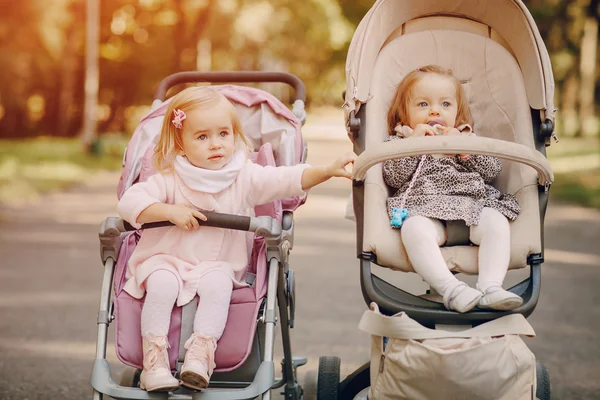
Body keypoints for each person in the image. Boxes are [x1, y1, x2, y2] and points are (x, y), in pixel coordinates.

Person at [118, 86, 355, 392]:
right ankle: (155, 361)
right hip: (165, 260)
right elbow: (129, 201)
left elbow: (284, 179)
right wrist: (168, 210)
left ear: (234, 134)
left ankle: (200, 356)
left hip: (217, 265)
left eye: (223, 134)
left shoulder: (243, 176)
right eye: (202, 137)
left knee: (218, 285)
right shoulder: (169, 177)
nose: (215, 144)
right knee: (162, 283)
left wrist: (326, 170)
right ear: (180, 142)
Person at [382, 65, 522, 313]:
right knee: (414, 228)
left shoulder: (467, 139)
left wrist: (466, 149)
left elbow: (492, 170)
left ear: (458, 114)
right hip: (425, 210)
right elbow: (393, 177)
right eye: (422, 104)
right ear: (403, 114)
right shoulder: (400, 141)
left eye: (445, 104)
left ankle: (491, 287)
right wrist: (413, 145)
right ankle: (451, 289)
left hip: (474, 208)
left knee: (496, 222)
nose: (434, 110)